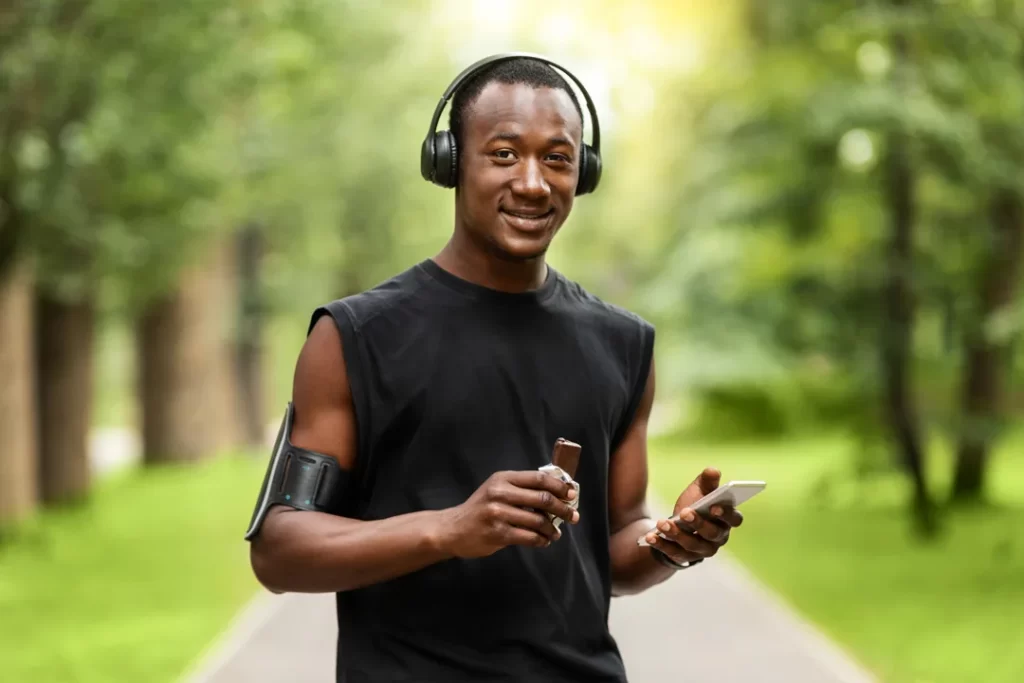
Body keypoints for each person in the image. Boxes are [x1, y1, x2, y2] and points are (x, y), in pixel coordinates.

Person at [247, 53, 744, 683]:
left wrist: (671, 542)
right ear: (451, 164)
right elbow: (279, 551)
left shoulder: (624, 344)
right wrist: (452, 529)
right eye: (504, 154)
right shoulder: (353, 338)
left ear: (581, 174)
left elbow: (614, 556)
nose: (534, 182)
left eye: (557, 158)